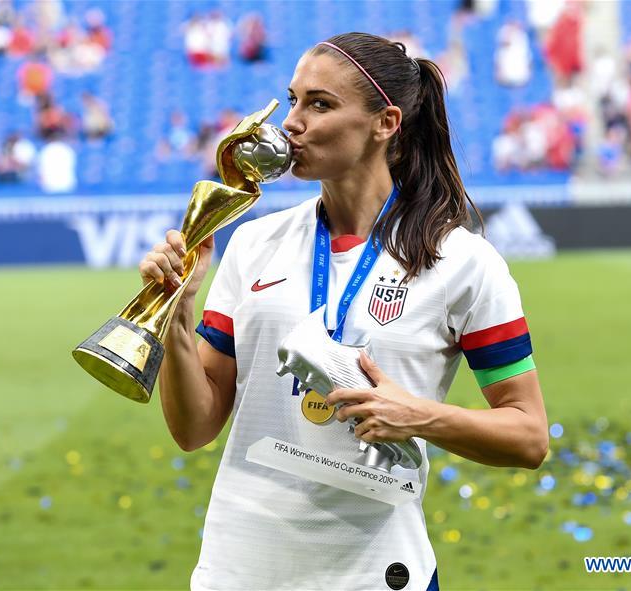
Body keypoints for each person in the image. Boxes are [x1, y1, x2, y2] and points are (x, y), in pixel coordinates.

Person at [139, 32, 548, 590]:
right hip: (237, 571)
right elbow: (194, 427)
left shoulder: (463, 263)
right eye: (293, 100)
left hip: (377, 574)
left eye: (320, 104)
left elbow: (529, 437)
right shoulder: (254, 243)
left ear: (386, 123)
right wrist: (178, 317)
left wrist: (418, 416)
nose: (292, 122)